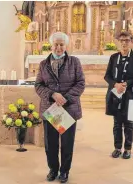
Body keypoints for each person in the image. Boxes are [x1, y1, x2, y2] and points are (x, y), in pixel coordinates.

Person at [35, 32, 85, 183]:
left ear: (66, 45)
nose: (58, 47)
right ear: (51, 46)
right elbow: (38, 85)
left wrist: (65, 98)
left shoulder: (74, 62)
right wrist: (52, 95)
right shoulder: (43, 64)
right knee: (51, 143)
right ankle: (53, 169)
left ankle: (64, 171)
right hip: (51, 109)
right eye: (56, 44)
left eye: (61, 44)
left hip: (68, 109)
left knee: (67, 143)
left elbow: (80, 83)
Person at [104, 31, 133, 159]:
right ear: (118, 42)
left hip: (129, 93)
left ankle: (127, 148)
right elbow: (107, 76)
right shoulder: (114, 57)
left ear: (131, 42)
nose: (124, 43)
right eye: (122, 40)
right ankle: (117, 147)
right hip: (115, 93)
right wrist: (116, 85)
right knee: (116, 123)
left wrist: (126, 84)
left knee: (128, 123)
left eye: (127, 40)